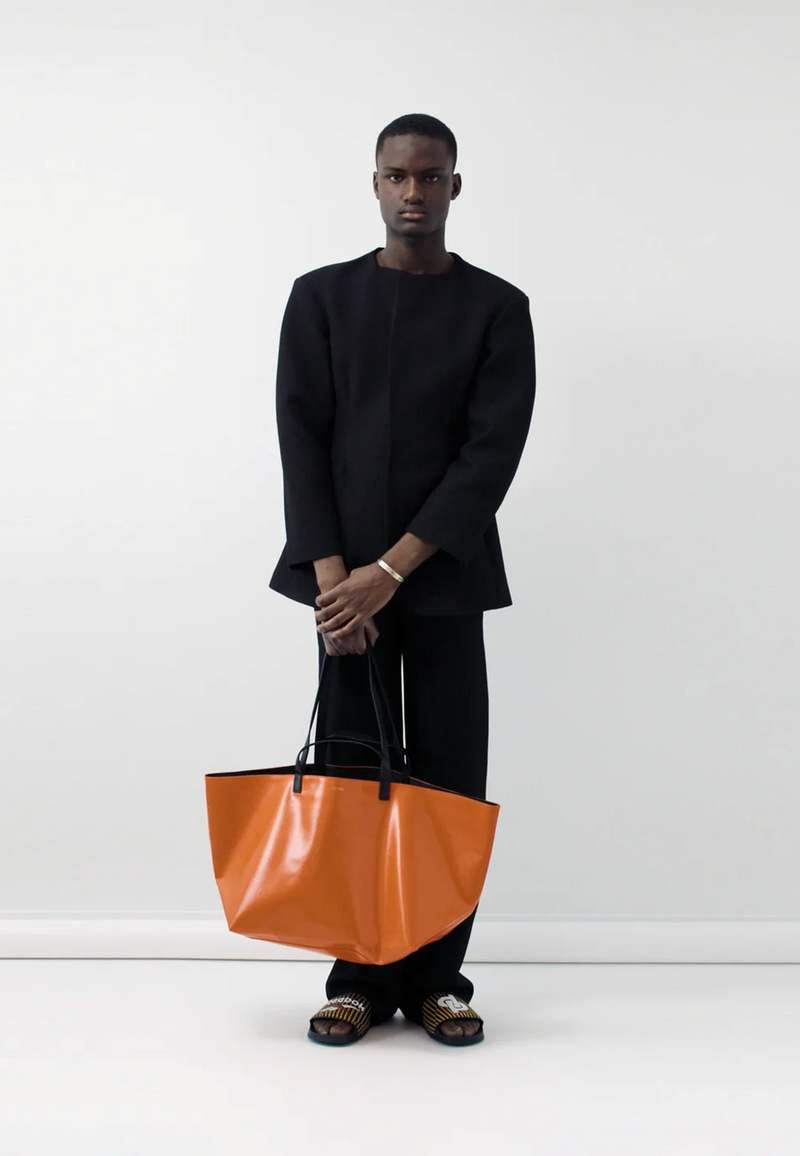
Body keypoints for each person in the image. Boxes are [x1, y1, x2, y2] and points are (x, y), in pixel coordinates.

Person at [269, 112, 536, 1046]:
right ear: (375, 183)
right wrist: (336, 585)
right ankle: (356, 978)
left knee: (450, 781)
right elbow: (301, 440)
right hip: (344, 588)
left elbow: (490, 456)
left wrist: (392, 570)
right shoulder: (320, 298)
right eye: (397, 175)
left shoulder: (497, 307)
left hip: (445, 576)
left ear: (455, 185)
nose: (413, 192)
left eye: (429, 176)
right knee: (351, 775)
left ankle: (438, 981)